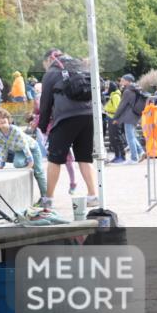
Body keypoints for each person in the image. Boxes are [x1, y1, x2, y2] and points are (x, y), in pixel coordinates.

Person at [31, 49, 99, 216]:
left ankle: (49, 199)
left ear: (48, 60)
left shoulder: (52, 73)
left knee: (55, 159)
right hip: (89, 115)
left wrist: (43, 125)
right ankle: (93, 195)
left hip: (66, 118)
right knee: (85, 157)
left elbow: (45, 103)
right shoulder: (80, 65)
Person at [0, 108, 46, 202]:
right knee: (18, 164)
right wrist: (1, 165)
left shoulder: (15, 130)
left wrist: (31, 162)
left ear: (8, 119)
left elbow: (25, 145)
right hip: (20, 151)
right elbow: (2, 149)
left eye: (3, 117)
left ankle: (45, 199)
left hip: (32, 148)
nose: (1, 120)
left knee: (39, 173)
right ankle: (30, 165)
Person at [111, 74, 145, 164]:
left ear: (128, 81)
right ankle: (141, 152)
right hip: (136, 115)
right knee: (132, 136)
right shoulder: (136, 89)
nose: (121, 82)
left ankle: (134, 158)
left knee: (129, 137)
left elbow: (122, 106)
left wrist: (115, 117)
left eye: (123, 80)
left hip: (129, 116)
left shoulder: (128, 91)